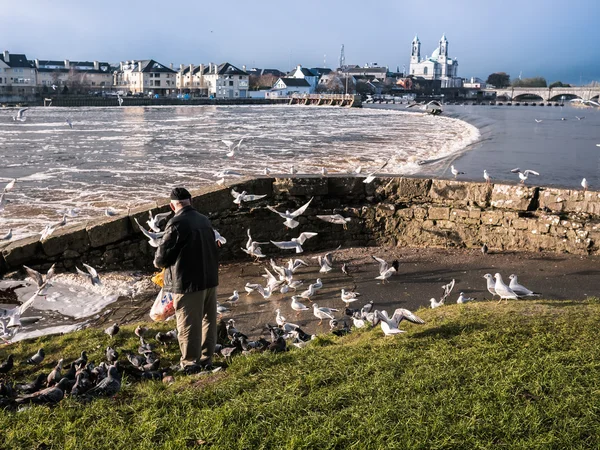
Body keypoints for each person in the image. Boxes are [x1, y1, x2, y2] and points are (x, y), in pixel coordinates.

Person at [154, 187, 219, 373]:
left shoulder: (176, 223)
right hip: (209, 280)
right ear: (191, 200)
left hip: (188, 283)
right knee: (208, 321)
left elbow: (160, 259)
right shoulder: (204, 220)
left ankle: (190, 363)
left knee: (188, 324)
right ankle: (207, 359)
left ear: (171, 206)